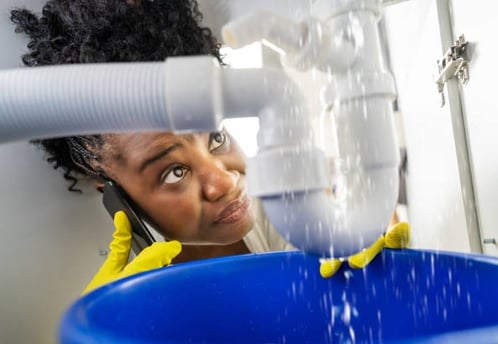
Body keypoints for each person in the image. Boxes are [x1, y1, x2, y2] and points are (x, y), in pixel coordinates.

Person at [11, 0, 409, 293]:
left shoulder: (277, 208)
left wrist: (364, 276)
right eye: (174, 172)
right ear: (111, 190)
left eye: (215, 138)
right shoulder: (118, 276)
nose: (224, 181)